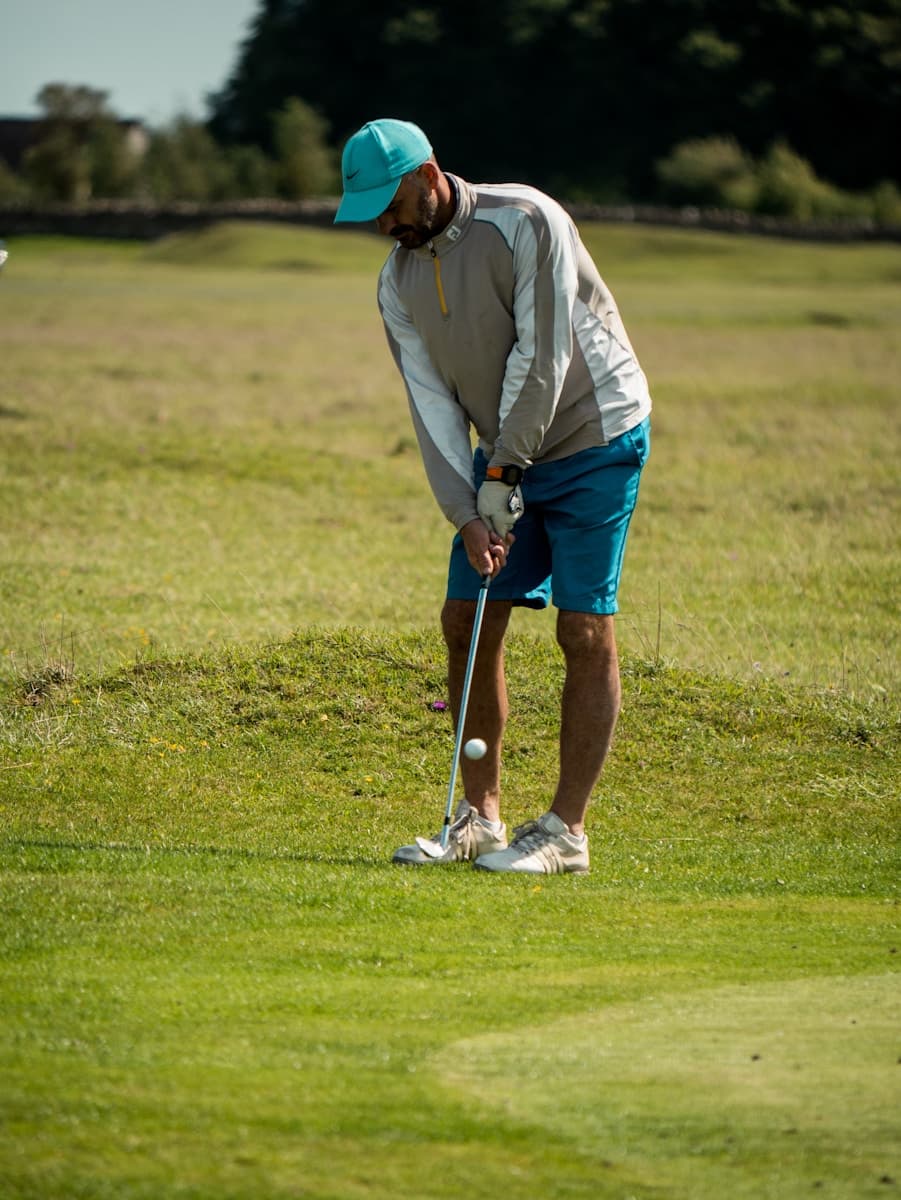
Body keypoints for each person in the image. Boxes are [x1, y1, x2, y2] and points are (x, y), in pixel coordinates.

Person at [335, 118, 652, 874]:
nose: (384, 223)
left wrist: (503, 475)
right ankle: (478, 818)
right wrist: (467, 509)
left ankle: (565, 833)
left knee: (582, 629)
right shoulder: (396, 280)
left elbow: (543, 356)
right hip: (506, 456)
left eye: (391, 203)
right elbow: (432, 405)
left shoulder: (526, 220)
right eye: (371, 211)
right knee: (467, 615)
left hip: (592, 436)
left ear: (429, 175)